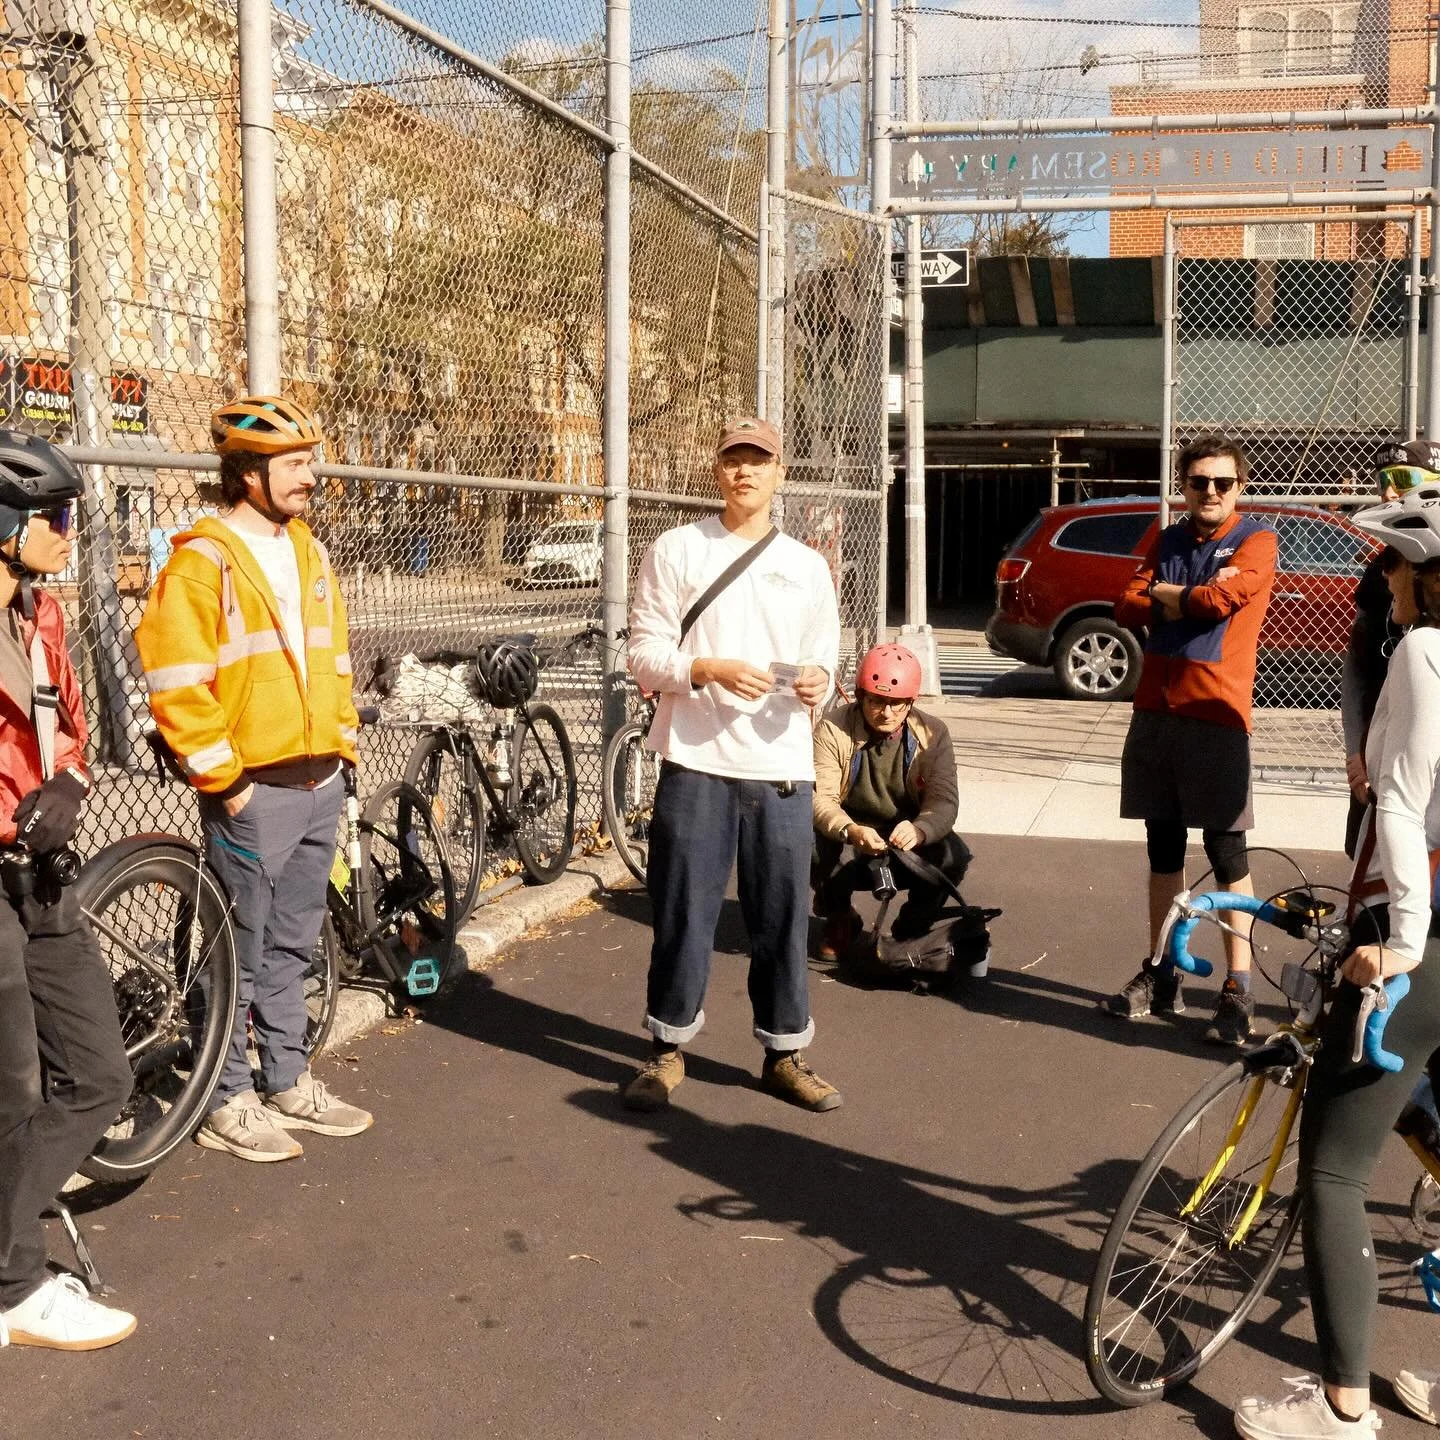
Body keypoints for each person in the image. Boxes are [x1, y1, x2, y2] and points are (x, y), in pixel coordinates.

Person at [1232, 481, 1440, 1438]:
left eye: (1395, 564)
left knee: (1335, 1172)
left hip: (1425, 938)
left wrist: (1394, 944)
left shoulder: (1426, 654)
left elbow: (1396, 805)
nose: (1385, 580)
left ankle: (1341, 1412)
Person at [136, 395, 372, 1162]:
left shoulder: (309, 551)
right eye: (296, 463)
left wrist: (345, 752)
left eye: (311, 460)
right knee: (236, 947)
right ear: (247, 472)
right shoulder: (201, 561)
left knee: (294, 945)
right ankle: (227, 1096)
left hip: (318, 782)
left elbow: (334, 658)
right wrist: (227, 783)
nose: (312, 475)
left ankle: (287, 1079)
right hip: (252, 790)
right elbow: (175, 683)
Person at [623, 416, 842, 1114]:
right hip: (696, 758)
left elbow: (826, 660)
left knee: (782, 916)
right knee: (684, 913)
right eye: (733, 460)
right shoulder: (677, 548)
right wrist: (703, 668)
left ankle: (785, 1052)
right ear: (716, 471)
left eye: (759, 460)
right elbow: (643, 653)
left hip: (780, 764)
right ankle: (665, 1049)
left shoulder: (807, 566)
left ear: (780, 473)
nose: (745, 471)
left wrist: (819, 681)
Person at [0, 431, 136, 1350]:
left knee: (98, 1076)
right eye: (52, 515)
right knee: (10, 1085)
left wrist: (73, 785)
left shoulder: (43, 617)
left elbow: (75, 733)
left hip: (38, 879)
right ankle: (12, 1283)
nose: (66, 530)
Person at [1104, 434, 1278, 1045]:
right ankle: (1163, 970)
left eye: (1222, 483)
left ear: (1240, 487)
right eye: (1199, 481)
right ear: (1182, 484)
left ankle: (1237, 987)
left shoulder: (1257, 540)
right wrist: (1171, 597)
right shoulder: (1169, 538)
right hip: (1155, 712)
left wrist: (1167, 596)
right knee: (1162, 849)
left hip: (1217, 717)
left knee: (1228, 854)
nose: (1210, 492)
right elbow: (1124, 607)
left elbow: (1217, 602)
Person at [811, 641, 969, 959]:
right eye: (877, 701)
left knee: (954, 854)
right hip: (852, 834)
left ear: (911, 701)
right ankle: (841, 916)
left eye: (898, 703)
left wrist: (921, 829)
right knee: (805, 844)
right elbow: (821, 800)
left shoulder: (933, 734)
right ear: (860, 696)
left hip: (904, 834)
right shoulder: (832, 729)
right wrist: (850, 830)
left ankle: (912, 924)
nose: (887, 712)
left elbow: (944, 801)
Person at [1341, 440, 1439, 858]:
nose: (1387, 492)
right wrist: (1355, 753)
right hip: (1380, 752)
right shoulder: (1380, 573)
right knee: (1368, 865)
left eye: (1401, 480)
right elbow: (1356, 669)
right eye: (1381, 481)